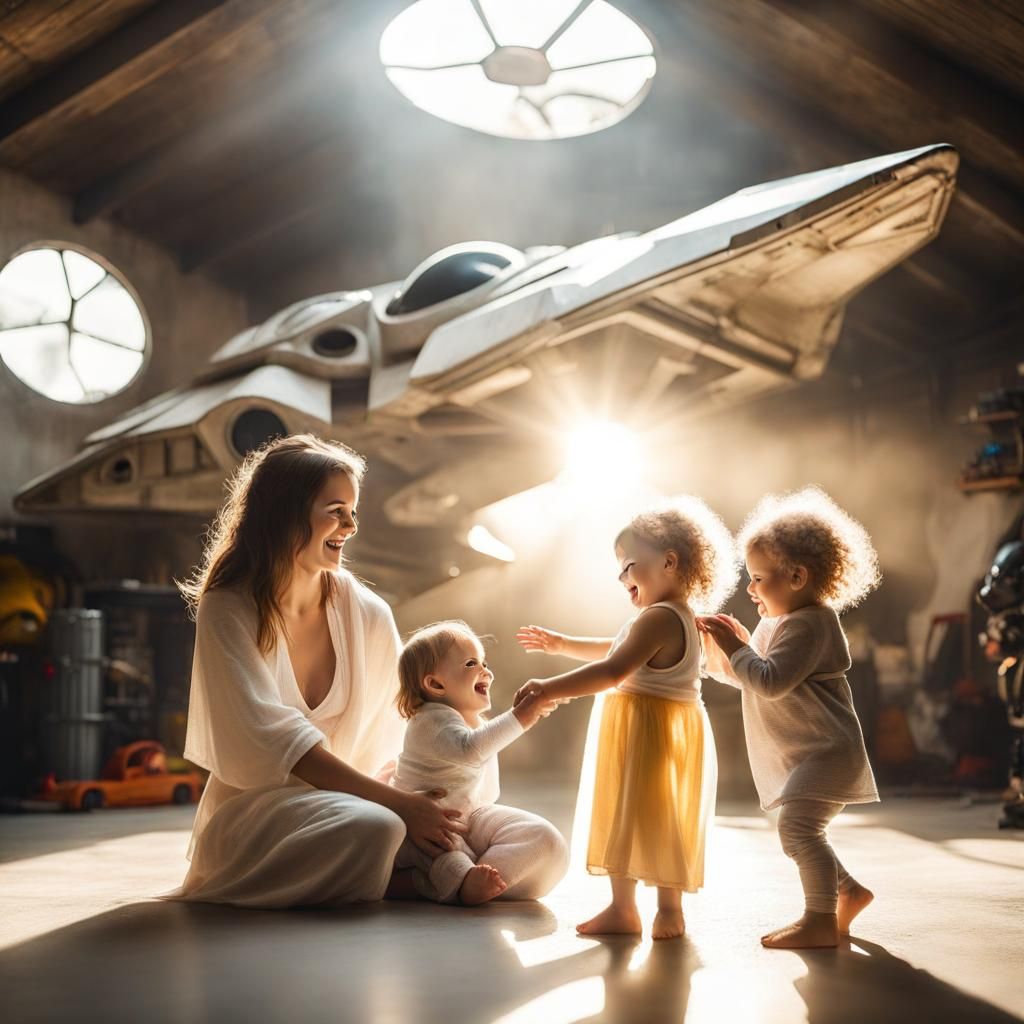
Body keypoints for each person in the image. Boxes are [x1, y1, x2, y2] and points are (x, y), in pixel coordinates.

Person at [169, 433, 466, 908]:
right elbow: (276, 740)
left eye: (353, 511)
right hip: (261, 816)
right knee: (380, 827)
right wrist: (401, 807)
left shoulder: (367, 612)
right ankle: (405, 881)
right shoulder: (227, 605)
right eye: (336, 510)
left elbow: (403, 726)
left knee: (533, 846)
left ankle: (399, 869)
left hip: (363, 803)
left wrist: (432, 798)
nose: (350, 525)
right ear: (287, 513)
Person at [515, 497, 736, 939]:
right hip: (667, 728)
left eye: (628, 565)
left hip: (648, 732)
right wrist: (563, 644)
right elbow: (615, 649)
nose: (621, 578)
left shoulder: (658, 618)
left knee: (632, 815)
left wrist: (549, 687)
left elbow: (613, 669)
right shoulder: (678, 617)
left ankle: (636, 908)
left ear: (669, 562)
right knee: (655, 817)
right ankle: (652, 910)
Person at [700, 485, 880, 949]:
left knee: (798, 829)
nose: (750, 588)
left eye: (759, 578)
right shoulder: (781, 622)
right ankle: (848, 892)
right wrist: (726, 653)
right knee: (802, 829)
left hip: (827, 753)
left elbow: (768, 680)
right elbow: (749, 677)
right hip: (810, 753)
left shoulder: (810, 623)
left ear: (797, 576)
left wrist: (738, 649)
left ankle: (820, 919)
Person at [389, 620, 568, 905]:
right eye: (472, 663)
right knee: (448, 856)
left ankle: (471, 877)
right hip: (426, 828)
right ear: (435, 684)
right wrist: (520, 717)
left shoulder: (472, 722)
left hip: (472, 818)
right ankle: (447, 883)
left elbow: (481, 750)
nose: (487, 671)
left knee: (545, 838)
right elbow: (469, 750)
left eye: (485, 662)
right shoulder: (429, 720)